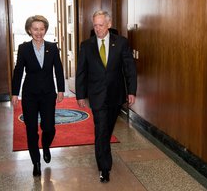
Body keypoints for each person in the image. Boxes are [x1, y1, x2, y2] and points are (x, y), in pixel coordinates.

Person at [75, 10, 137, 183]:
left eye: (101, 25)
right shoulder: (86, 45)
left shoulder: (121, 43)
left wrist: (131, 91)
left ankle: (104, 152)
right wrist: (80, 94)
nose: (97, 28)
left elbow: (129, 69)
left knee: (107, 129)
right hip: (96, 96)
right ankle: (104, 167)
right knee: (101, 130)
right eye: (95, 25)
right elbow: (81, 72)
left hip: (116, 95)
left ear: (109, 24)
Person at [11, 15, 65, 177]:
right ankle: (36, 161)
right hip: (30, 95)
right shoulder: (24, 48)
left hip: (48, 94)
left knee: (49, 127)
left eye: (42, 29)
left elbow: (59, 70)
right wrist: (14, 92)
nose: (39, 32)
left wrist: (60, 90)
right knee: (31, 128)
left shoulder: (53, 47)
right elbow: (18, 71)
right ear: (29, 30)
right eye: (35, 29)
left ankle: (46, 146)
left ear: (45, 30)